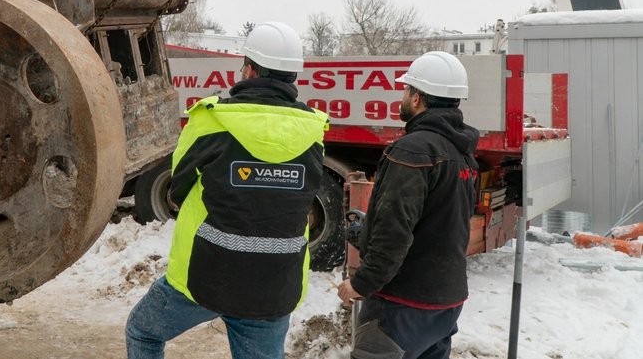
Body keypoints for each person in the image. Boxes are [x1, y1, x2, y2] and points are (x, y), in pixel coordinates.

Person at [126, 22, 329, 359]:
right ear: (293, 77)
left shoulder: (213, 121)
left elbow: (176, 190)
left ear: (249, 69)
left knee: (143, 332)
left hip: (206, 278)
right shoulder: (313, 133)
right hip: (274, 287)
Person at [337, 51, 480, 359]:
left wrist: (361, 283)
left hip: (402, 305)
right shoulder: (464, 154)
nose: (402, 96)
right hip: (445, 303)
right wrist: (365, 233)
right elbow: (441, 224)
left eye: (406, 89)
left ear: (417, 98)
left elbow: (394, 232)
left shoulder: (411, 151)